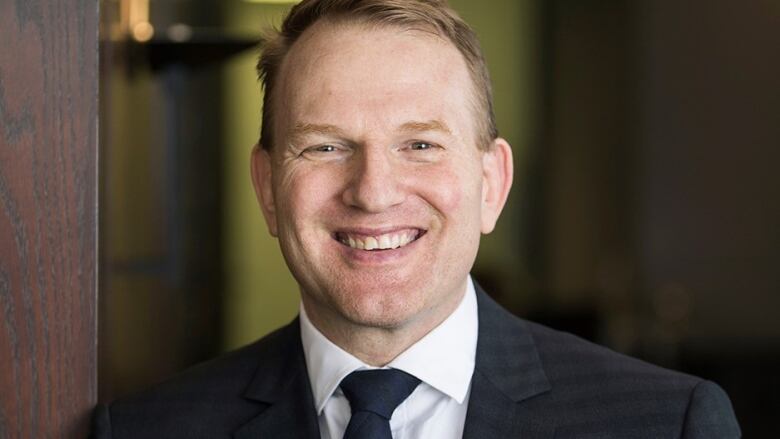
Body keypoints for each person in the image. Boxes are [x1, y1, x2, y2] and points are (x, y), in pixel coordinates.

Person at [91, 0, 741, 437]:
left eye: (420, 144)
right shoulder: (148, 428)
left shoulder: (664, 422)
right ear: (267, 187)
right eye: (325, 146)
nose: (373, 192)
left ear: (492, 183)